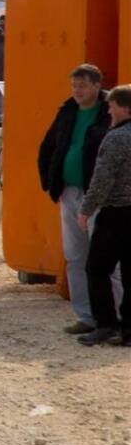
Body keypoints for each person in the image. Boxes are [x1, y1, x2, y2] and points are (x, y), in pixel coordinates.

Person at [37, 63, 121, 335]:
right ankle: (86, 316)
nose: (77, 91)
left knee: (107, 258)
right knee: (75, 256)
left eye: (82, 86)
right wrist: (52, 184)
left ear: (97, 86)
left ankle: (116, 316)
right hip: (70, 192)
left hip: (101, 196)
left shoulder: (112, 112)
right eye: (74, 86)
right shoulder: (68, 112)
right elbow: (49, 147)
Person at [75, 84, 131, 346]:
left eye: (112, 105)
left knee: (96, 268)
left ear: (124, 108)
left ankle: (106, 324)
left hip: (116, 213)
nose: (108, 109)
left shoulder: (117, 138)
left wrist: (86, 209)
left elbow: (102, 180)